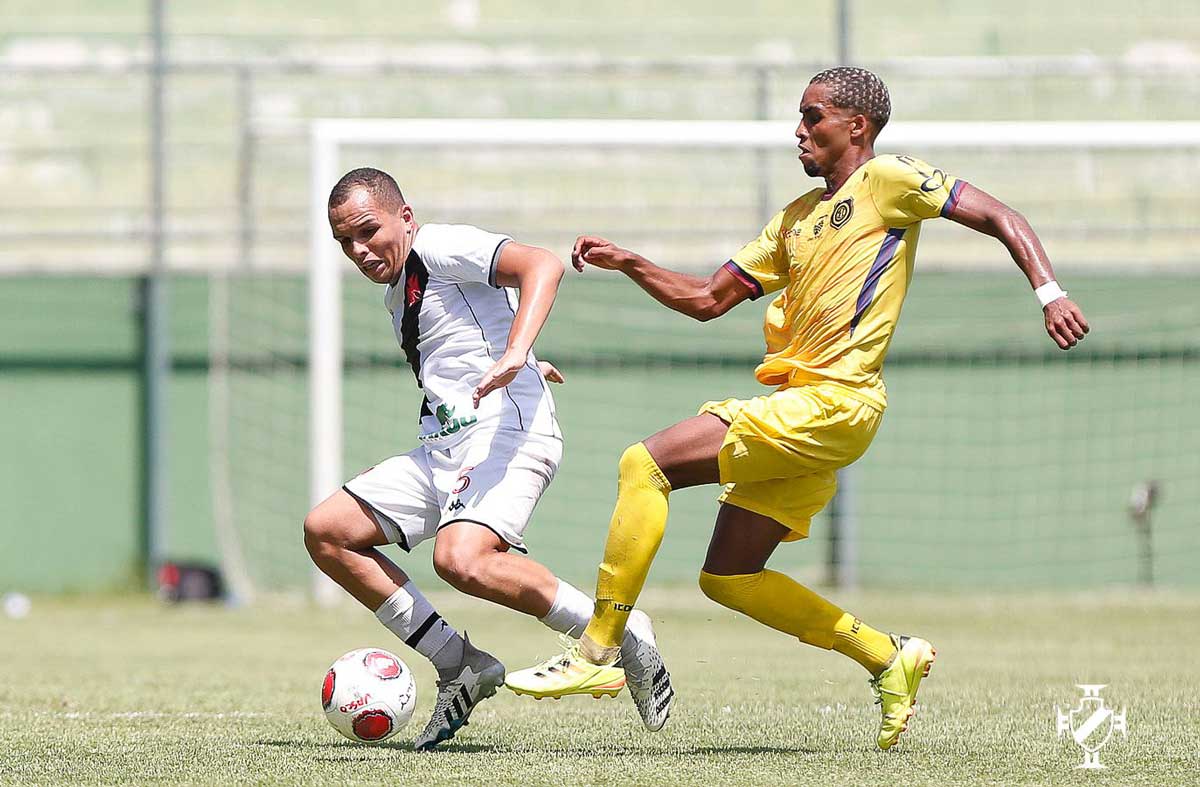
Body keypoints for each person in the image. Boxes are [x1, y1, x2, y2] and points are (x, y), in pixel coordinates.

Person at [505, 67, 1090, 750]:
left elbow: (999, 215)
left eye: (813, 117)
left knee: (646, 463)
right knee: (728, 576)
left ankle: (597, 652)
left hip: (836, 402)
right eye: (800, 117)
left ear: (857, 127)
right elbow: (706, 299)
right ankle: (885, 655)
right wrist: (632, 262)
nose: (799, 131)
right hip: (807, 411)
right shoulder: (795, 219)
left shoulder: (890, 181)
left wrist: (1050, 292)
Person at [304, 167, 671, 750]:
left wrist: (518, 356)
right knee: (328, 532)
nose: (358, 249)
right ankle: (460, 663)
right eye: (344, 241)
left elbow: (541, 264)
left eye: (368, 231)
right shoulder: (397, 290)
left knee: (461, 559)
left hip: (506, 431)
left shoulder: (439, 245)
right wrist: (519, 358)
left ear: (405, 216)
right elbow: (471, 337)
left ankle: (622, 632)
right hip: (445, 444)